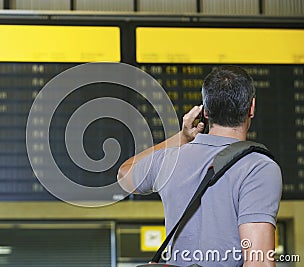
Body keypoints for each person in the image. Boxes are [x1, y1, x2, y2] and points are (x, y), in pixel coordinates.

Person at [118, 66, 282, 266]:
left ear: (205, 111)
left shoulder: (170, 160)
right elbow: (259, 262)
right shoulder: (258, 167)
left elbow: (124, 175)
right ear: (252, 107)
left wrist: (181, 138)